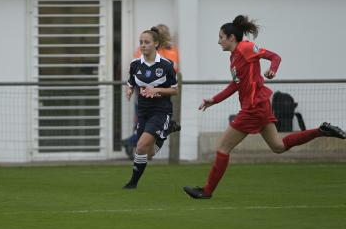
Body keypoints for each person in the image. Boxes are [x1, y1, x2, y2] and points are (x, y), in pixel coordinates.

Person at [183, 15, 346, 199]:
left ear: (231, 38)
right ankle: (321, 130)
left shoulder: (245, 48)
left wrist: (272, 70)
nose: (218, 41)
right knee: (278, 146)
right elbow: (235, 85)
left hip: (253, 107)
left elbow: (275, 57)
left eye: (221, 37)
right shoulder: (234, 58)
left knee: (222, 148)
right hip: (259, 105)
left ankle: (207, 191)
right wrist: (214, 100)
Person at [122, 27, 178, 189]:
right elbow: (131, 82)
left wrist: (157, 90)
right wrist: (129, 90)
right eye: (141, 42)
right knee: (149, 152)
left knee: (139, 146)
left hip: (160, 110)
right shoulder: (135, 64)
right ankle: (167, 130)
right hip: (143, 111)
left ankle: (133, 183)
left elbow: (175, 90)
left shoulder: (167, 65)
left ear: (156, 44)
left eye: (146, 42)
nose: (143, 45)